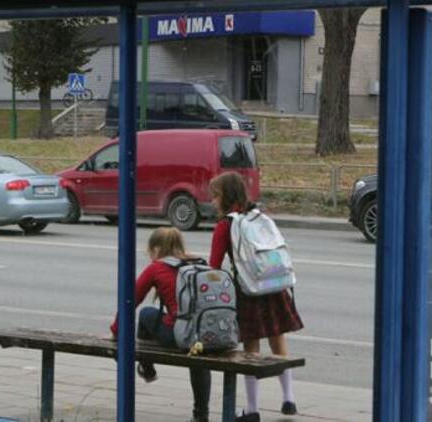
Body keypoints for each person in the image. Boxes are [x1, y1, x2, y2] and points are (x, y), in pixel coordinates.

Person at [208, 172, 304, 422]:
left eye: (215, 196)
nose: (212, 201)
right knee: (278, 342)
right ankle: (289, 399)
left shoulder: (224, 226)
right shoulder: (260, 216)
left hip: (248, 291)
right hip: (273, 285)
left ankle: (252, 409)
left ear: (225, 197)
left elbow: (214, 267)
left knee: (251, 349)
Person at [110, 227, 212, 422]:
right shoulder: (199, 264)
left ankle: (147, 368)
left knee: (147, 313)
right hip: (207, 333)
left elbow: (131, 301)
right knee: (198, 352)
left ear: (156, 249)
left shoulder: (157, 267)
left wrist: (116, 331)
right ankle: (201, 415)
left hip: (179, 336)